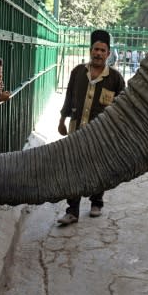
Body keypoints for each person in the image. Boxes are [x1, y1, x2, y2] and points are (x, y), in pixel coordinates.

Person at [56, 30, 125, 225]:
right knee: (73, 169)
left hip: (102, 134)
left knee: (98, 168)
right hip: (77, 129)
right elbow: (69, 97)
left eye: (103, 50)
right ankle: (72, 211)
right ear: (90, 50)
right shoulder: (78, 72)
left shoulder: (115, 79)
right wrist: (62, 120)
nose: (98, 53)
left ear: (108, 54)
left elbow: (121, 107)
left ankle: (97, 202)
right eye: (96, 49)